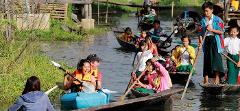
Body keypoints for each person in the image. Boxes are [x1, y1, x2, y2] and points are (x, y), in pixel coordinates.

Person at [199, 1, 225, 84]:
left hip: (215, 40)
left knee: (217, 60)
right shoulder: (203, 20)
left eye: (207, 11)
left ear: (212, 10)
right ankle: (206, 80)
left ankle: (217, 79)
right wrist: (200, 43)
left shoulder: (218, 20)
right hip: (206, 41)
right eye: (204, 11)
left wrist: (211, 30)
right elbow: (200, 33)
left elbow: (221, 32)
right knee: (207, 60)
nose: (205, 13)